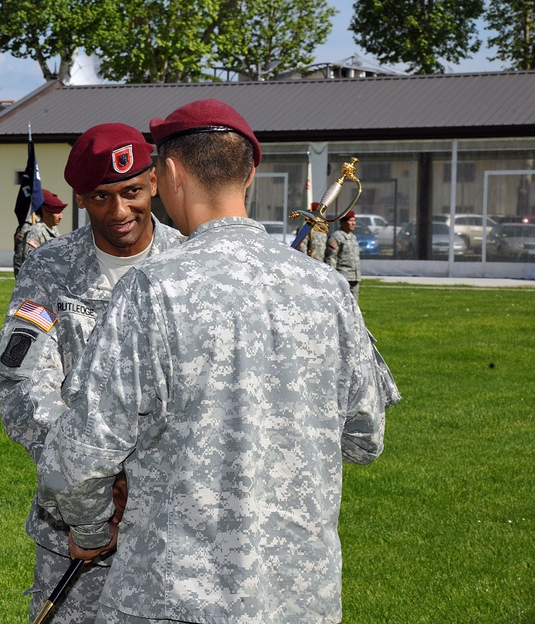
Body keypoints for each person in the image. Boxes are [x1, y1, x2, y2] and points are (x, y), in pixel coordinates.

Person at [36, 99, 397, 624]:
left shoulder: (152, 289)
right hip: (299, 596)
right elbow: (365, 438)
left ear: (170, 173)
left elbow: (81, 456)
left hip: (173, 596)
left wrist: (90, 532)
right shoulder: (327, 288)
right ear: (250, 172)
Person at [0, 123, 185, 624]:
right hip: (74, 527)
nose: (119, 212)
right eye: (101, 197)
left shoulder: (188, 265)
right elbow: (24, 386)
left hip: (174, 521)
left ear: (156, 184)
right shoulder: (51, 267)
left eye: (132, 192)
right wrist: (91, 480)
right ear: (80, 198)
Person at [13, 189, 68, 275]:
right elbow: (27, 261)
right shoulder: (34, 231)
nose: (61, 217)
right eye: (57, 212)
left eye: (61, 212)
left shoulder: (53, 229)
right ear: (46, 211)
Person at [325, 210, 361, 301]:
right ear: (342, 222)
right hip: (342, 276)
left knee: (354, 305)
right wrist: (332, 276)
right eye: (351, 221)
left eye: (354, 220)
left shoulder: (353, 237)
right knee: (342, 303)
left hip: (354, 277)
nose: (353, 223)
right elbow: (331, 258)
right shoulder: (336, 237)